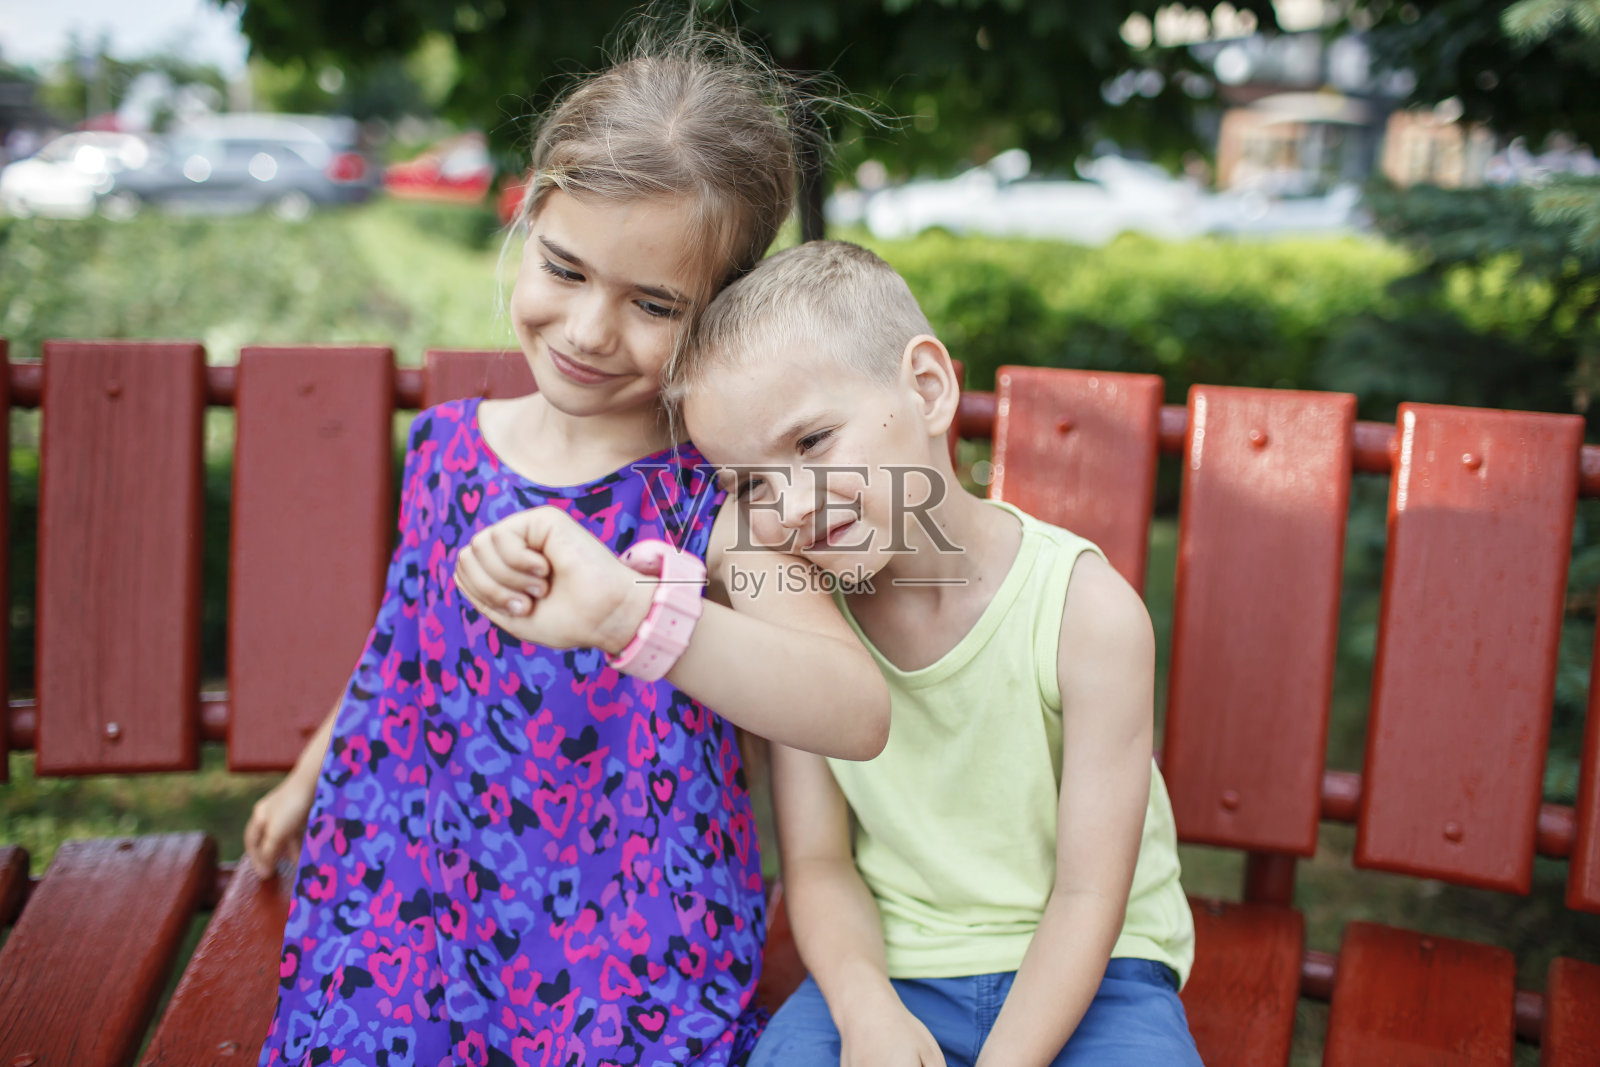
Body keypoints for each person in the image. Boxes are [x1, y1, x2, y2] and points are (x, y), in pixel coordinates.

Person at [246, 24, 890, 1067]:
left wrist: (643, 615)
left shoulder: (716, 498)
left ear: (718, 312)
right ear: (529, 215)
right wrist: (307, 775)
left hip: (624, 923)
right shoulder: (447, 448)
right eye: (565, 268)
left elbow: (852, 707)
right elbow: (403, 642)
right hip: (417, 885)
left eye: (653, 303)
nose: (590, 329)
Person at [675, 240, 1202, 1066]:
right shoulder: (806, 633)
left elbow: (1088, 893)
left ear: (926, 387)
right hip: (892, 966)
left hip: (1098, 973)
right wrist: (865, 1010)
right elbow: (818, 861)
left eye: (812, 441)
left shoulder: (1084, 614)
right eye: (750, 484)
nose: (791, 505)